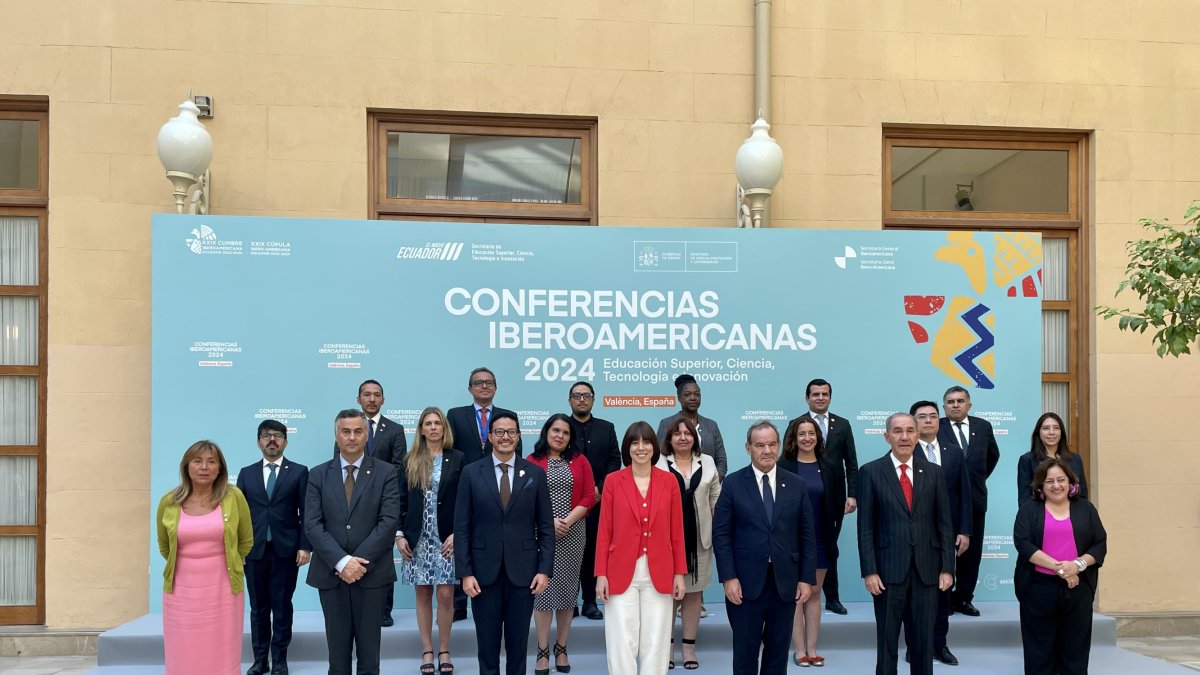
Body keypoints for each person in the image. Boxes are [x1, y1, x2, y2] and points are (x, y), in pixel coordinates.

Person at [454, 411, 555, 675]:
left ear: (519, 436)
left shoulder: (534, 473)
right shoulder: (471, 473)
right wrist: (465, 573)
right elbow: (462, 528)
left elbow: (545, 527)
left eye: (511, 432)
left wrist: (544, 570)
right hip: (482, 575)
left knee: (518, 644)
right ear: (490, 437)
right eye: (499, 432)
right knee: (486, 646)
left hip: (523, 574)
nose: (505, 437)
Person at [713, 420, 816, 675]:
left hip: (785, 582)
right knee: (746, 652)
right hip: (745, 584)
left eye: (772, 444)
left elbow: (806, 535)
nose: (767, 450)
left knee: (777, 652)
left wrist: (805, 578)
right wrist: (728, 577)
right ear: (748, 448)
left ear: (779, 446)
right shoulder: (734, 483)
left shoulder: (796, 484)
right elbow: (721, 534)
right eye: (760, 445)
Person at [305, 409, 401, 675]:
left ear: (366, 435)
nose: (352, 437)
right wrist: (342, 561)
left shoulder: (386, 473)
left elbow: (389, 521)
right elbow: (313, 524)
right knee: (337, 658)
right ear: (336, 435)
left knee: (370, 657)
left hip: (371, 574)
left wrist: (357, 563)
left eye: (358, 431)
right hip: (330, 574)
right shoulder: (317, 474)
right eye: (345, 431)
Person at [857, 413, 955, 675]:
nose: (904, 436)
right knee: (887, 641)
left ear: (917, 435)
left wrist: (947, 567)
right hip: (888, 572)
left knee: (923, 641)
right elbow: (865, 527)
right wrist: (870, 570)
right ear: (887, 436)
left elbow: (944, 524)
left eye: (910, 430)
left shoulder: (933, 472)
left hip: (927, 571)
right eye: (898, 431)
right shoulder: (870, 472)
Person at [596, 422, 687, 675]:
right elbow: (605, 531)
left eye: (646, 442)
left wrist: (679, 571)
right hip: (619, 570)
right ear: (627, 448)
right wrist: (601, 573)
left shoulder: (669, 482)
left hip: (660, 570)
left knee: (656, 641)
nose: (641, 447)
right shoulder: (614, 481)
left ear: (654, 447)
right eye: (635, 443)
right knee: (621, 639)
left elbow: (677, 531)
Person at [157, 440, 253, 675]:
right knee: (184, 650)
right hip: (181, 591)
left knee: (222, 651)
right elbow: (164, 546)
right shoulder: (169, 501)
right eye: (197, 461)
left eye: (211, 462)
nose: (204, 467)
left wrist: (230, 561)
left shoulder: (234, 496)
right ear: (186, 467)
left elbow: (246, 540)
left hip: (223, 589)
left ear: (220, 468)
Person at [1014, 458, 1107, 675]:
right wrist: (1062, 569)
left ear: (1070, 482)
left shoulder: (1086, 508)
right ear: (1041, 486)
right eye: (1049, 481)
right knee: (1039, 653)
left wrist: (1077, 565)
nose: (1056, 486)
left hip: (1078, 590)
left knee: (1075, 652)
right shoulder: (1029, 509)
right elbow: (1023, 544)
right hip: (1038, 589)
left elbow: (1100, 543)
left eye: (1061, 480)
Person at [237, 421, 311, 675]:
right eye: (266, 435)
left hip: (286, 550)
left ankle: (279, 659)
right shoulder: (246, 473)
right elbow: (239, 515)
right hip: (253, 552)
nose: (272, 440)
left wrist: (305, 546)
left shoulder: (299, 472)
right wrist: (238, 549)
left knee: (281, 606)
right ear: (258, 441)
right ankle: (260, 660)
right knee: (258, 608)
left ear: (285, 442)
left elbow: (306, 512)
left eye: (277, 436)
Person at [447, 367, 521, 621]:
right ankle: (459, 602)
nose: (484, 386)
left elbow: (515, 452)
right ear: (470, 389)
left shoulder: (507, 417)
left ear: (496, 387)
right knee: (464, 536)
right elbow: (451, 451)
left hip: (500, 485)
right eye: (478, 383)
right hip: (466, 485)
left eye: (489, 382)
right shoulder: (456, 415)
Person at [903, 401, 973, 667]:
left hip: (946, 537)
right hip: (915, 535)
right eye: (922, 417)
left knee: (943, 593)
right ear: (914, 423)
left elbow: (964, 494)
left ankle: (939, 645)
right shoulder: (906, 452)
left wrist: (964, 530)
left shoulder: (954, 453)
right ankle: (914, 646)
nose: (929, 421)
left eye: (933, 416)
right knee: (913, 595)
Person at [397, 408, 465, 675]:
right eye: (428, 423)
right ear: (421, 429)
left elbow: (465, 501)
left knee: (446, 594)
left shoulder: (458, 459)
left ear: (444, 429)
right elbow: (401, 501)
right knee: (423, 592)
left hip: (447, 537)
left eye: (438, 423)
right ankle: (427, 649)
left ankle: (445, 649)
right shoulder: (410, 460)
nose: (434, 427)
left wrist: (458, 533)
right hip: (418, 538)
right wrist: (399, 535)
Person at [527, 414, 596, 675]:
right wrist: (548, 523)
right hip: (540, 533)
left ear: (570, 438)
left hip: (573, 532)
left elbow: (590, 495)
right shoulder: (532, 461)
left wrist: (566, 521)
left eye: (565, 433)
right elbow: (525, 498)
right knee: (542, 592)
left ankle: (562, 647)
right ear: (546, 432)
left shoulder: (580, 461)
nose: (560, 436)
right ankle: (542, 650)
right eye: (555, 430)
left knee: (567, 592)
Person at [788, 377, 858, 615]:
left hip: (834, 498)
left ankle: (833, 597)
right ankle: (801, 592)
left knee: (829, 547)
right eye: (815, 394)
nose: (820, 398)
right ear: (807, 398)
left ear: (830, 397)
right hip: (802, 496)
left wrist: (853, 495)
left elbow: (851, 463)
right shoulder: (796, 423)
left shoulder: (843, 424)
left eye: (824, 394)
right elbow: (787, 459)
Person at [340, 379, 407, 627]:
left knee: (381, 553)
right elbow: (339, 464)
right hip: (349, 501)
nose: (371, 399)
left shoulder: (395, 429)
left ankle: (384, 609)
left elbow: (399, 468)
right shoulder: (347, 429)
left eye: (376, 395)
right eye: (366, 395)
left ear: (382, 399)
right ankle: (352, 602)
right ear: (358, 398)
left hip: (382, 500)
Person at [656, 415, 721, 670]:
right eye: (677, 434)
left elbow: (716, 500)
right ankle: (667, 648)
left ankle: (689, 647)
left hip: (699, 541)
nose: (683, 437)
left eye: (688, 433)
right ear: (669, 439)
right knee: (668, 596)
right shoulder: (658, 463)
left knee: (693, 595)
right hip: (665, 542)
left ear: (695, 438)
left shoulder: (707, 462)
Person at [937, 386, 1000, 617]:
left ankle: (964, 598)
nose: (955, 405)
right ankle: (943, 597)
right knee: (942, 551)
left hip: (975, 500)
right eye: (950, 401)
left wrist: (975, 480)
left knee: (970, 553)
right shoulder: (936, 426)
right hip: (943, 502)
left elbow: (993, 456)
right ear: (944, 406)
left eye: (960, 401)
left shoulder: (983, 427)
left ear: (969, 405)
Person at [779, 417, 837, 667]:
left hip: (821, 538)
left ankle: (812, 649)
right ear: (793, 437)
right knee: (797, 595)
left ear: (817, 436)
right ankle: (799, 649)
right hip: (791, 541)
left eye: (811, 433)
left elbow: (835, 504)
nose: (806, 438)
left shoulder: (830, 465)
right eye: (801, 433)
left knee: (814, 593)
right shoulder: (784, 466)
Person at [566, 381, 621, 621]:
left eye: (586, 395)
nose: (581, 400)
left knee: (592, 551)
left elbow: (614, 460)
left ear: (593, 399)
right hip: (567, 502)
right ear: (570, 400)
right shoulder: (561, 427)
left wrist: (599, 489)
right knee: (569, 552)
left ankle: (590, 601)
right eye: (576, 396)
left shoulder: (606, 427)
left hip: (599, 502)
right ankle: (569, 602)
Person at [655, 374, 727, 479]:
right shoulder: (667, 423)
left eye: (697, 394)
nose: (693, 398)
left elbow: (721, 460)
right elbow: (659, 458)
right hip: (675, 487)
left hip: (706, 490)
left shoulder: (711, 425)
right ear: (679, 398)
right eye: (687, 394)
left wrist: (713, 483)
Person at [1017, 412, 1088, 504]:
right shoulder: (1027, 460)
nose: (1051, 432)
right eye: (1046, 428)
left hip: (1072, 515)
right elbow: (1025, 500)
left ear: (1061, 432)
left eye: (1056, 428)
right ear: (1038, 432)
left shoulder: (1075, 459)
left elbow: (1083, 495)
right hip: (1041, 516)